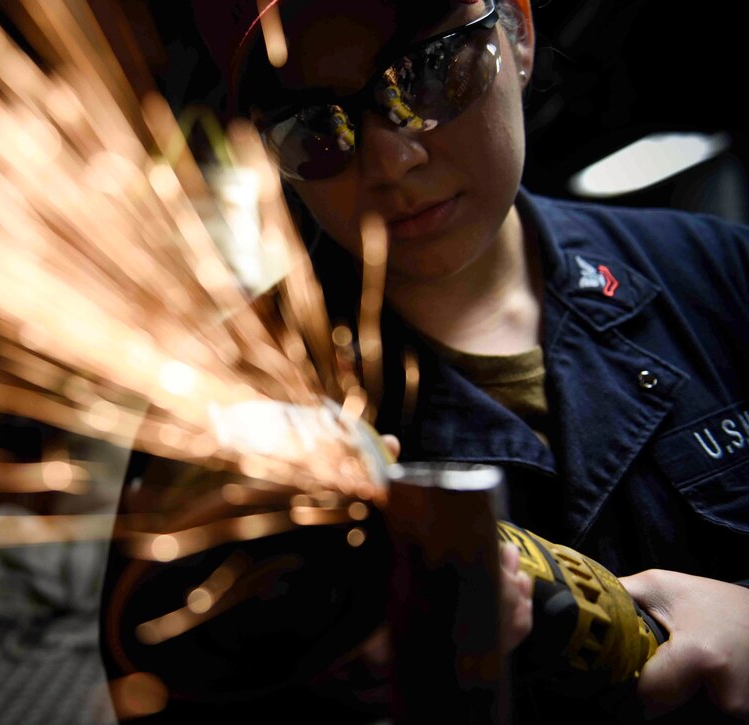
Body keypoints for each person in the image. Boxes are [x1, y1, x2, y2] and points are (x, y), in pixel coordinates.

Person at [102, 0, 749, 721]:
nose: (392, 161)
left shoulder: (721, 273)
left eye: (432, 74)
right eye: (314, 127)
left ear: (522, 35)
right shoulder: (215, 401)